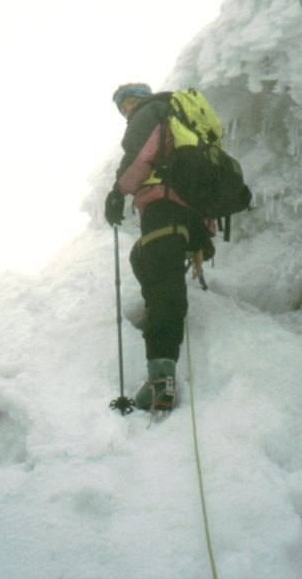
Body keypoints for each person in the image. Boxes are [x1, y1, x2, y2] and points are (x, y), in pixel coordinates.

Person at [105, 82, 214, 412]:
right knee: (144, 258)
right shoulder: (175, 118)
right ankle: (157, 313)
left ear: (141, 97)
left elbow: (141, 154)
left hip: (164, 204)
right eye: (122, 105)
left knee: (164, 282)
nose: (127, 108)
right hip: (192, 215)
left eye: (129, 101)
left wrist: (118, 191)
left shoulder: (150, 112)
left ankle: (161, 379)